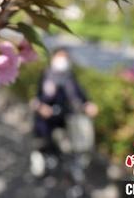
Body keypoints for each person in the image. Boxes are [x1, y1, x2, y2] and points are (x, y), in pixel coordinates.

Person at [29, 48, 98, 178]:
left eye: (65, 58)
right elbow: (38, 97)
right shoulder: (46, 75)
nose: (62, 61)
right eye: (59, 57)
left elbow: (80, 94)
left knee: (73, 142)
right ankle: (41, 158)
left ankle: (72, 166)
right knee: (43, 139)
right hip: (47, 117)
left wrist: (88, 104)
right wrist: (41, 107)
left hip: (65, 116)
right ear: (53, 58)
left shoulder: (69, 77)